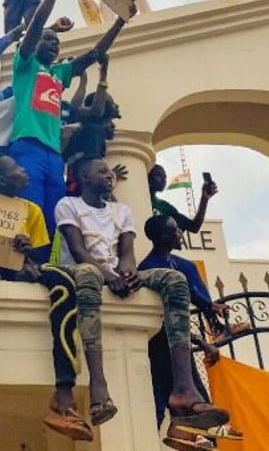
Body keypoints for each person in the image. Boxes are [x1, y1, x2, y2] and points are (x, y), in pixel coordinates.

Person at [55, 158, 230, 433]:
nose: (109, 175)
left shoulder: (122, 210)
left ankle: (184, 390)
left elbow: (127, 254)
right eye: (101, 171)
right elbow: (79, 251)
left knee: (175, 280)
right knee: (89, 273)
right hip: (83, 273)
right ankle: (98, 386)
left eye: (110, 171)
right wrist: (110, 277)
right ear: (85, 177)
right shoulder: (68, 206)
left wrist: (127, 273)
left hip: (115, 275)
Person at [9, 0, 133, 261]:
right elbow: (37, 24)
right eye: (46, 40)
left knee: (54, 217)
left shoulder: (57, 74)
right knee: (30, 210)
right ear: (35, 44)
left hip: (55, 155)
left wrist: (120, 21)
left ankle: (47, 269)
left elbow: (93, 54)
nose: (52, 43)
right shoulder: (25, 66)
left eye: (56, 43)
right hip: (27, 147)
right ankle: (25, 266)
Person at [0, 154, 89, 442]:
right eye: (17, 167)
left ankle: (64, 395)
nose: (24, 170)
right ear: (2, 179)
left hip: (18, 271)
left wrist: (27, 252)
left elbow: (40, 258)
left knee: (64, 278)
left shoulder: (31, 210)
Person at [138, 215, 232, 433]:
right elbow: (167, 320)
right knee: (164, 393)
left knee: (183, 381)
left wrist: (208, 306)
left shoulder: (179, 265)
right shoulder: (152, 268)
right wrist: (201, 341)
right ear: (162, 236)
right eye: (174, 230)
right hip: (160, 344)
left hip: (175, 343)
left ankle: (193, 430)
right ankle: (188, 428)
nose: (180, 233)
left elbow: (182, 309)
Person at [147, 165, 217, 233]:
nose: (163, 179)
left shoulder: (164, 206)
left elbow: (194, 227)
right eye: (158, 175)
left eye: (165, 177)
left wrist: (204, 199)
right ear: (148, 176)